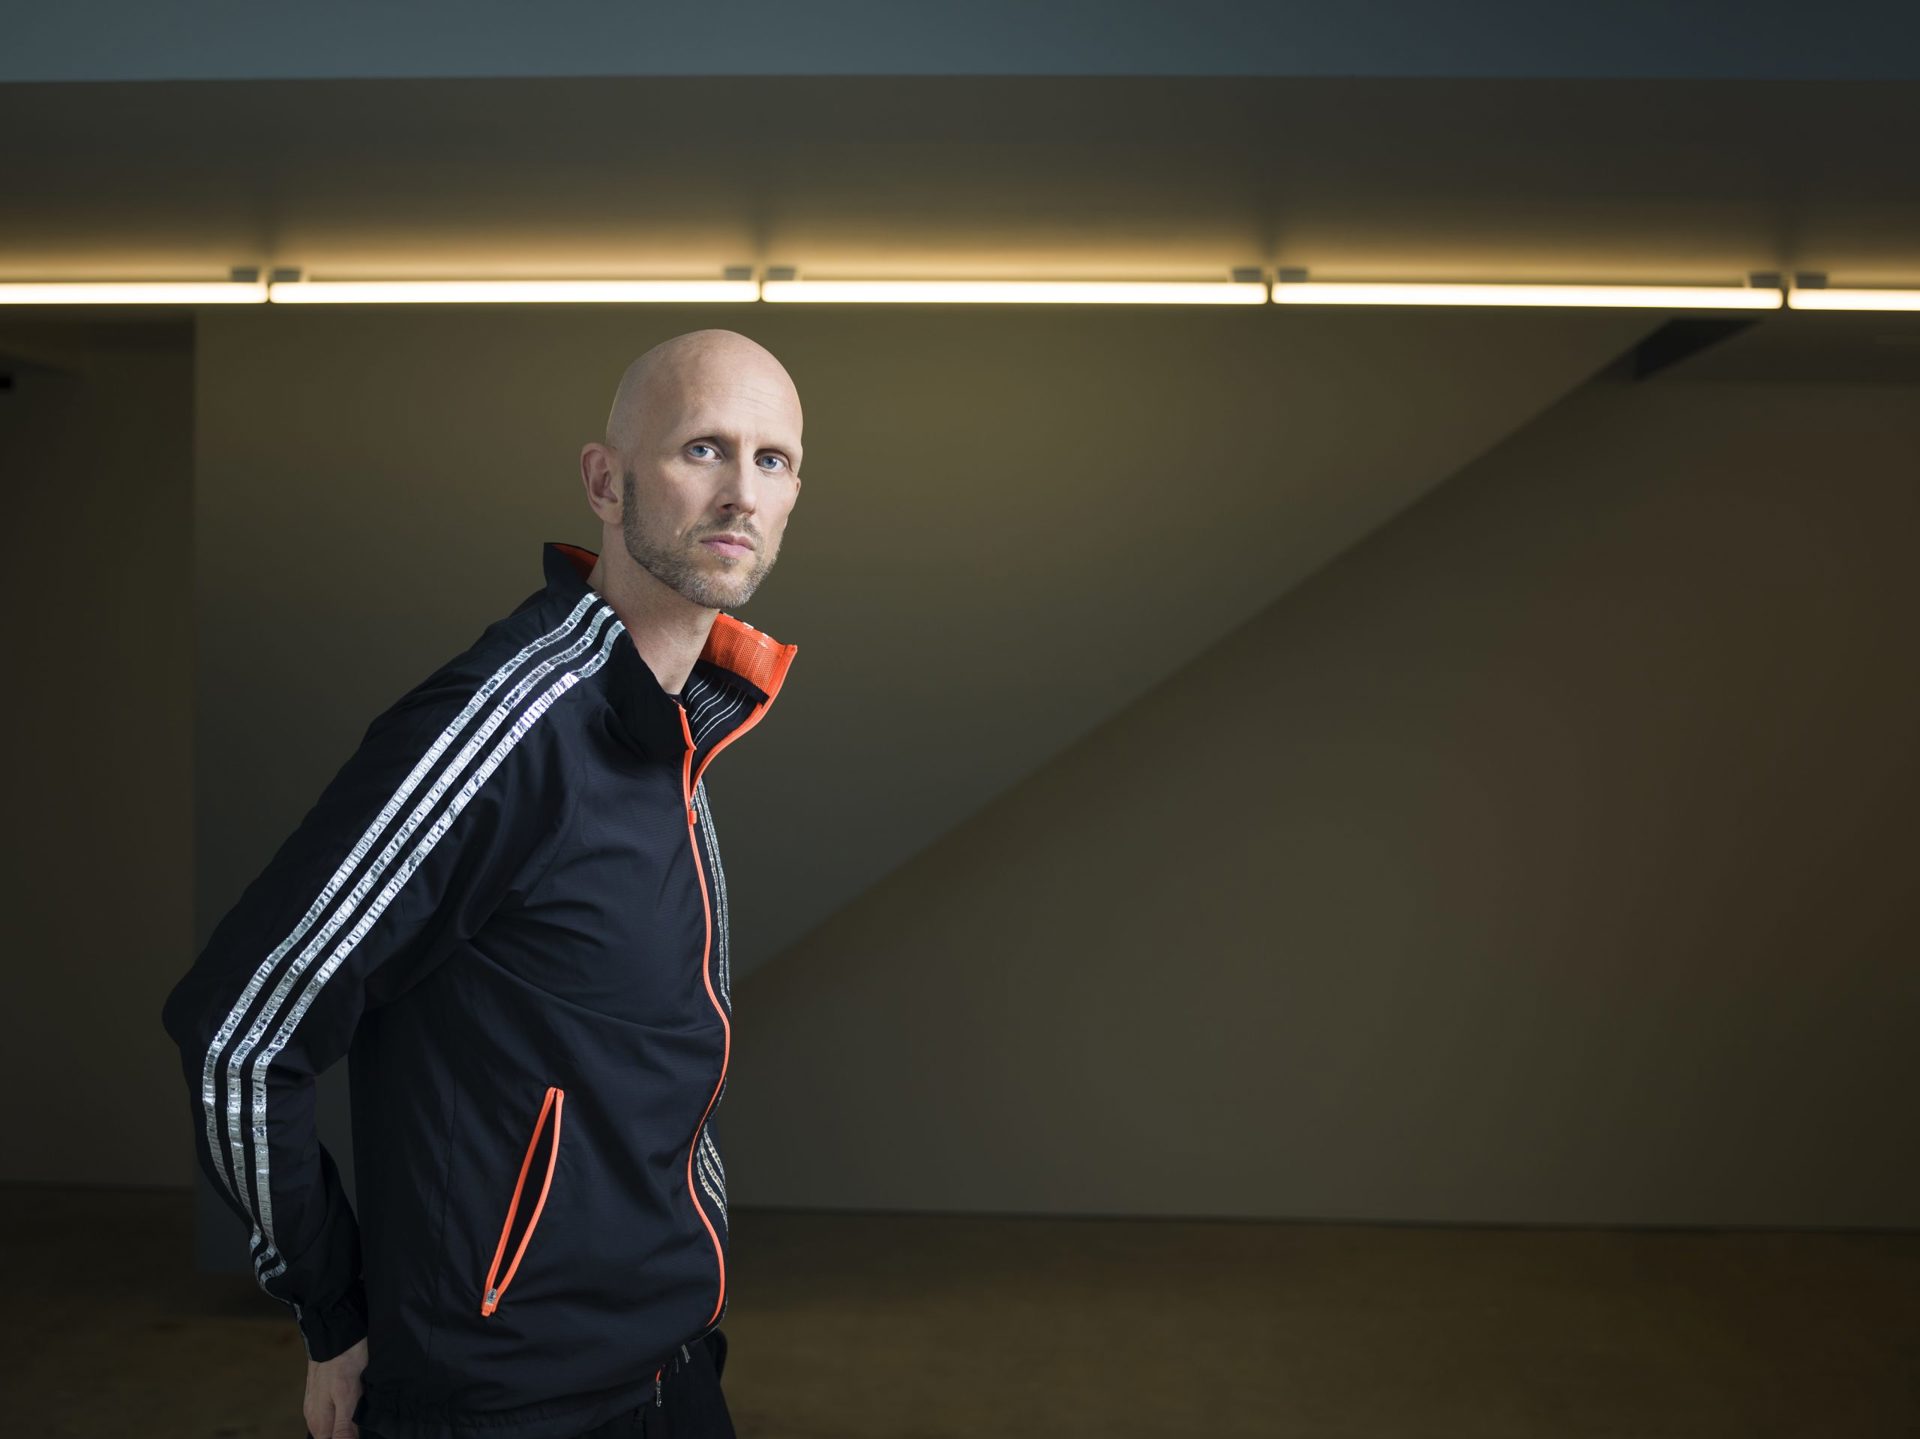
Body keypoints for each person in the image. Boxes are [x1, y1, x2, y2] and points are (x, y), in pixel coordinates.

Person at [160, 329, 805, 1439]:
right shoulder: (506, 727)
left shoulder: (675, 734)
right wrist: (332, 1309)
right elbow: (238, 1033)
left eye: (773, 459)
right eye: (703, 447)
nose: (740, 490)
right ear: (606, 481)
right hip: (505, 1404)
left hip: (671, 1371)